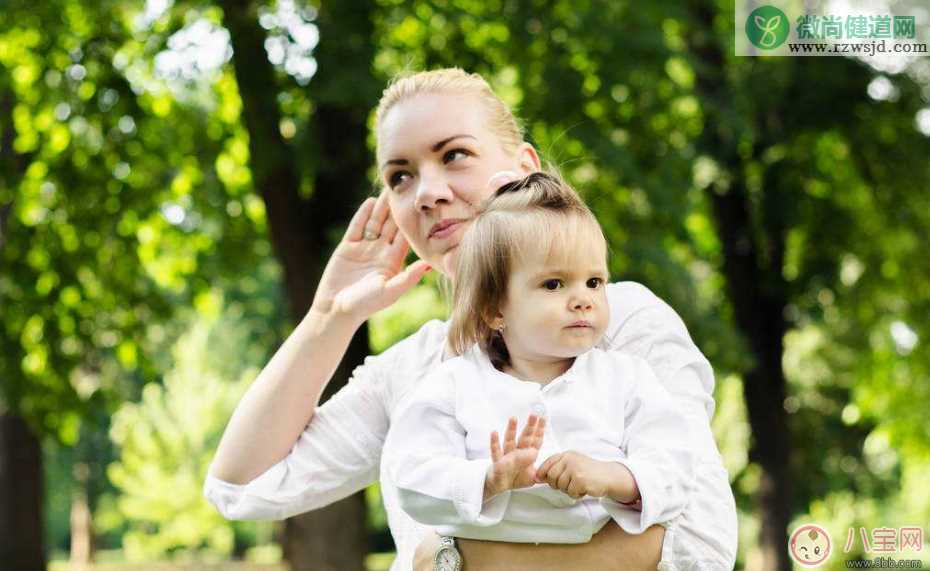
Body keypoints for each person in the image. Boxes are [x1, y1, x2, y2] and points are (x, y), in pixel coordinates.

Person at [204, 68, 737, 570]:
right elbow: (242, 486)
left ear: (526, 170)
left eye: (455, 155)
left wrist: (452, 559)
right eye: (400, 177)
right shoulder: (412, 371)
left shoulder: (615, 321)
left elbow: (701, 537)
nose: (428, 193)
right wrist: (327, 319)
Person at [384, 172, 696, 547]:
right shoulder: (454, 384)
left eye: (594, 282)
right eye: (554, 284)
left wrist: (613, 476)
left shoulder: (626, 378)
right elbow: (410, 478)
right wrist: (489, 479)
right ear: (494, 310)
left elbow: (676, 466)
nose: (583, 298)